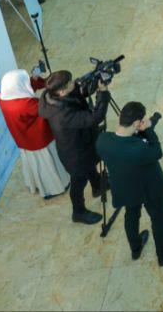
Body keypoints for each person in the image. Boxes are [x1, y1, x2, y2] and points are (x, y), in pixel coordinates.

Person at [96, 101, 163, 265]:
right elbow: (157, 152)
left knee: (131, 214)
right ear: (137, 123)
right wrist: (149, 129)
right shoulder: (139, 148)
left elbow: (123, 148)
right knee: (158, 218)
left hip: (125, 188)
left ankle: (135, 248)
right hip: (150, 188)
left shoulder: (103, 140)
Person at [37, 70, 109, 224]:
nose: (74, 83)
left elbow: (75, 94)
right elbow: (95, 117)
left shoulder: (50, 95)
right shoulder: (63, 115)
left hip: (81, 144)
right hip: (75, 155)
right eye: (70, 83)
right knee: (78, 183)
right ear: (62, 91)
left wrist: (91, 83)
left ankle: (97, 186)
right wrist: (103, 94)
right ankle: (78, 212)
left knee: (90, 166)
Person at [0, 69, 68, 199]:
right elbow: (47, 107)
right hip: (39, 139)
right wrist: (54, 90)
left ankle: (39, 186)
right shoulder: (26, 105)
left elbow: (23, 88)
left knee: (36, 166)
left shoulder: (3, 97)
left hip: (23, 139)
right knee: (47, 167)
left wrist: (36, 80)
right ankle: (55, 188)